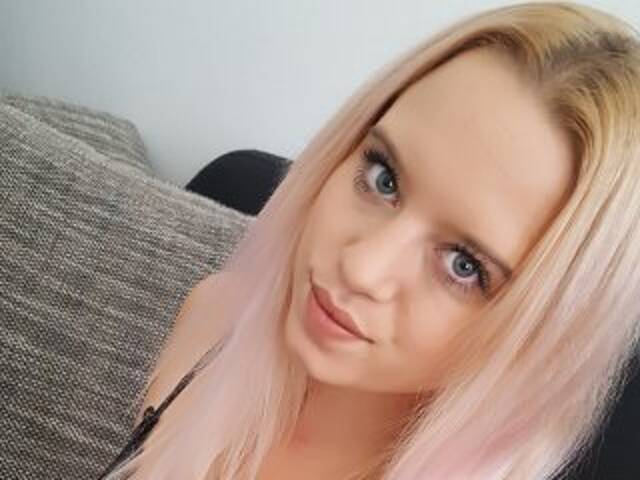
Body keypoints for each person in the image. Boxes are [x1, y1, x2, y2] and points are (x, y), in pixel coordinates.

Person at [100, 2, 640, 479]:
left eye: (464, 265)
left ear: (544, 336)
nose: (361, 268)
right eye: (384, 177)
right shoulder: (214, 319)